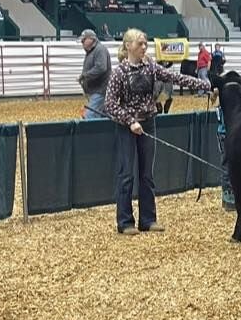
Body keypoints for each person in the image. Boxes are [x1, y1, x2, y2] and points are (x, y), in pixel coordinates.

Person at [104, 28, 210, 235]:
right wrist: (129, 120)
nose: (144, 47)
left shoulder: (151, 67)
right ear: (128, 47)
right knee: (126, 174)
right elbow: (109, 105)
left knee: (147, 174)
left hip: (149, 123)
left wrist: (203, 84)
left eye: (145, 43)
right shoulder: (119, 73)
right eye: (140, 44)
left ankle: (148, 219)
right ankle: (125, 222)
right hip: (127, 128)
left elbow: (174, 77)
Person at [78, 29, 112, 120]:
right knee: (103, 115)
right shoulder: (92, 51)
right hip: (96, 90)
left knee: (90, 116)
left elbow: (101, 68)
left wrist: (85, 75)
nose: (82, 42)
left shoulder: (99, 49)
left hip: (100, 90)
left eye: (83, 40)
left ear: (90, 39)